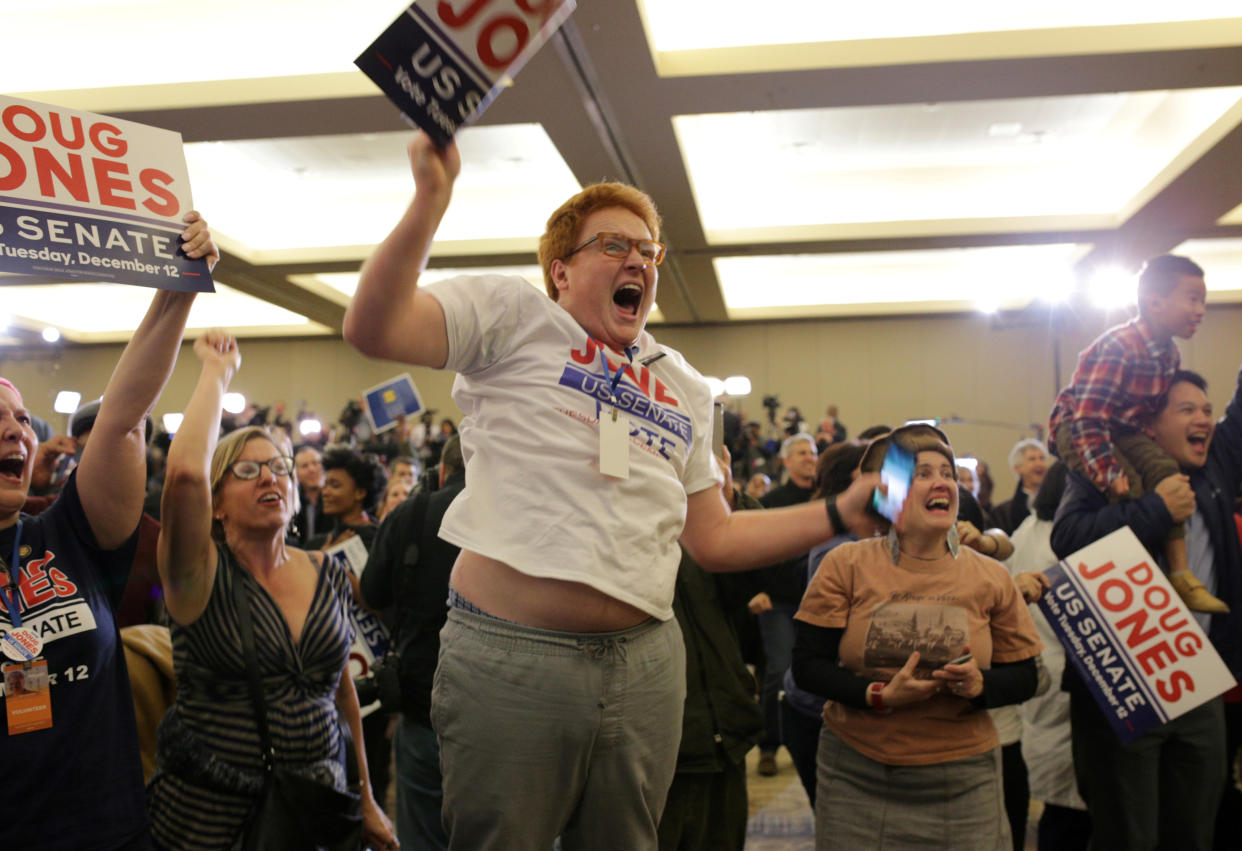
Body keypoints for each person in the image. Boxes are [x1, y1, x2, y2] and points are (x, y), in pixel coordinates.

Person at [343, 131, 880, 850]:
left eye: (649, 250)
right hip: (512, 657)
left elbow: (714, 537)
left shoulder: (684, 384)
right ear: (560, 270)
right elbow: (371, 326)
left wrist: (839, 512)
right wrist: (429, 201)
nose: (639, 260)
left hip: (645, 664)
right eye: (614, 245)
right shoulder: (514, 318)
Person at [0, 211, 214, 849]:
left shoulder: (65, 534)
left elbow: (122, 419)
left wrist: (176, 286)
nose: (16, 431)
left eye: (20, 419)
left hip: (106, 830)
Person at [147, 331, 395, 850]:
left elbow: (339, 687)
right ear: (217, 502)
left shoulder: (325, 568)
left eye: (280, 468)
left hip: (313, 809)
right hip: (212, 819)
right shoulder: (196, 572)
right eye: (248, 470)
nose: (271, 479)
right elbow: (186, 474)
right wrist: (217, 373)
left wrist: (366, 795)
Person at [792, 424, 1042, 850]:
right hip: (857, 769)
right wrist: (879, 695)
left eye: (946, 471)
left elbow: (1024, 676)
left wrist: (980, 685)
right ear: (888, 493)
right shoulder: (845, 565)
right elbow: (807, 666)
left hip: (963, 776)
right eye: (922, 473)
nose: (941, 480)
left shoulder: (991, 576)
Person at [1047, 366, 1242, 851]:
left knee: (1195, 834)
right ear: (1149, 424)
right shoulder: (1103, 467)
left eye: (1207, 409)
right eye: (1187, 409)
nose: (1203, 419)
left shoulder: (1216, 466)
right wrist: (1157, 508)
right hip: (1122, 686)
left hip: (1199, 681)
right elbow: (1068, 539)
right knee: (1127, 836)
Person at [1048, 254, 1224, 612]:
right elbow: (1088, 417)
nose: (1200, 309)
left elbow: (1140, 414)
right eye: (1192, 298)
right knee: (1132, 489)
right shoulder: (1119, 346)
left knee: (1166, 472)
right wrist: (1108, 471)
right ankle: (1139, 583)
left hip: (1122, 427)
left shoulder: (1170, 354)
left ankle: (1180, 573)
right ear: (1154, 302)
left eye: (1202, 300)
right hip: (1077, 427)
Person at [361, 433, 465, 850]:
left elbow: (373, 593)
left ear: (442, 472)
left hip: (426, 706)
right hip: (509, 715)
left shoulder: (409, 515)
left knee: (423, 833)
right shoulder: (522, 513)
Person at [1003, 462, 1091, 851]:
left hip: (1038, 671)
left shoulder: (1024, 531)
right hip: (1066, 673)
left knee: (1059, 801)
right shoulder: (1065, 540)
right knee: (1071, 808)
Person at [752, 432, 819, 776]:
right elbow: (758, 548)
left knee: (817, 674)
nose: (810, 457)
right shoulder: (774, 500)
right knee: (778, 671)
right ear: (788, 461)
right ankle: (768, 745)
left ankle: (813, 744)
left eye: (813, 452)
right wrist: (759, 589)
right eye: (803, 452)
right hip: (778, 602)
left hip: (819, 604)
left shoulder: (827, 499)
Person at [992, 438, 1049, 535]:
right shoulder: (1002, 513)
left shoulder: (1058, 503)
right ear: (1018, 468)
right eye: (1032, 459)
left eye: (1042, 458)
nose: (1039, 463)